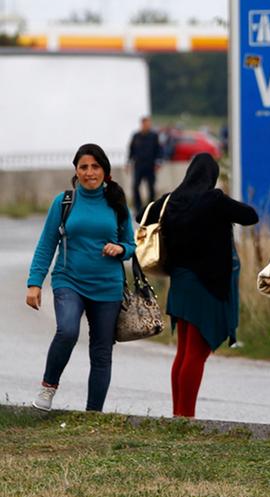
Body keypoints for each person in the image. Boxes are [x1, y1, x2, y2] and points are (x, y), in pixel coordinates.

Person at [137, 153, 258, 419]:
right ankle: (186, 417)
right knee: (195, 354)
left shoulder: (171, 201)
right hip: (206, 287)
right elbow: (251, 216)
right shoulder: (213, 200)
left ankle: (179, 415)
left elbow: (140, 215)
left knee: (183, 353)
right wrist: (222, 201)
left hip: (180, 285)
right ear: (211, 177)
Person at [26, 143, 136, 412]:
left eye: (95, 167)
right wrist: (34, 282)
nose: (89, 172)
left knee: (101, 352)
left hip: (107, 286)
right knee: (67, 331)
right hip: (69, 280)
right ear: (76, 171)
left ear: (105, 171)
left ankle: (93, 414)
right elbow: (47, 243)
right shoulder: (64, 202)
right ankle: (48, 386)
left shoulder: (117, 203)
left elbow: (131, 244)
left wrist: (121, 249)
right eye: (83, 167)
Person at [128, 115, 163, 214]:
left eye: (148, 124)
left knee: (151, 187)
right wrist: (128, 162)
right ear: (142, 124)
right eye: (145, 124)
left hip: (150, 165)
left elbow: (159, 150)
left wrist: (158, 162)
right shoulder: (136, 136)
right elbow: (131, 150)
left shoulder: (154, 136)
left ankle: (150, 207)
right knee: (135, 186)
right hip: (138, 165)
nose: (147, 126)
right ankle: (138, 207)